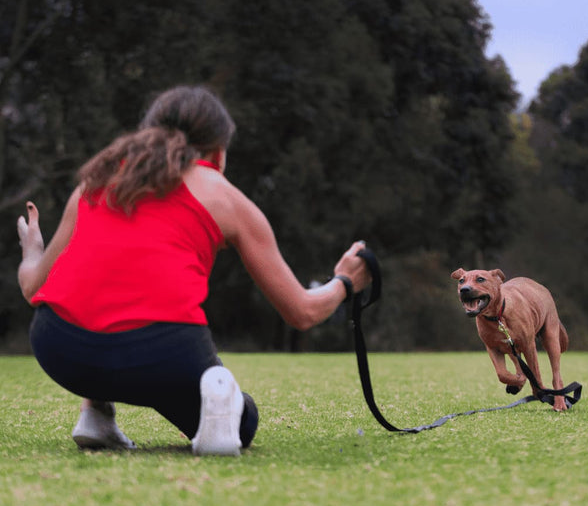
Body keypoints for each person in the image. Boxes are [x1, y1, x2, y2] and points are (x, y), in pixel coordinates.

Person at [16, 85, 371, 456]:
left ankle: (96, 414)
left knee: (106, 291)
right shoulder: (223, 195)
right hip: (161, 357)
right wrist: (345, 281)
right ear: (218, 153)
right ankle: (218, 403)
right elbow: (301, 311)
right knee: (242, 421)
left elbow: (31, 288)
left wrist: (33, 249)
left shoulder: (95, 180)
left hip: (60, 350)